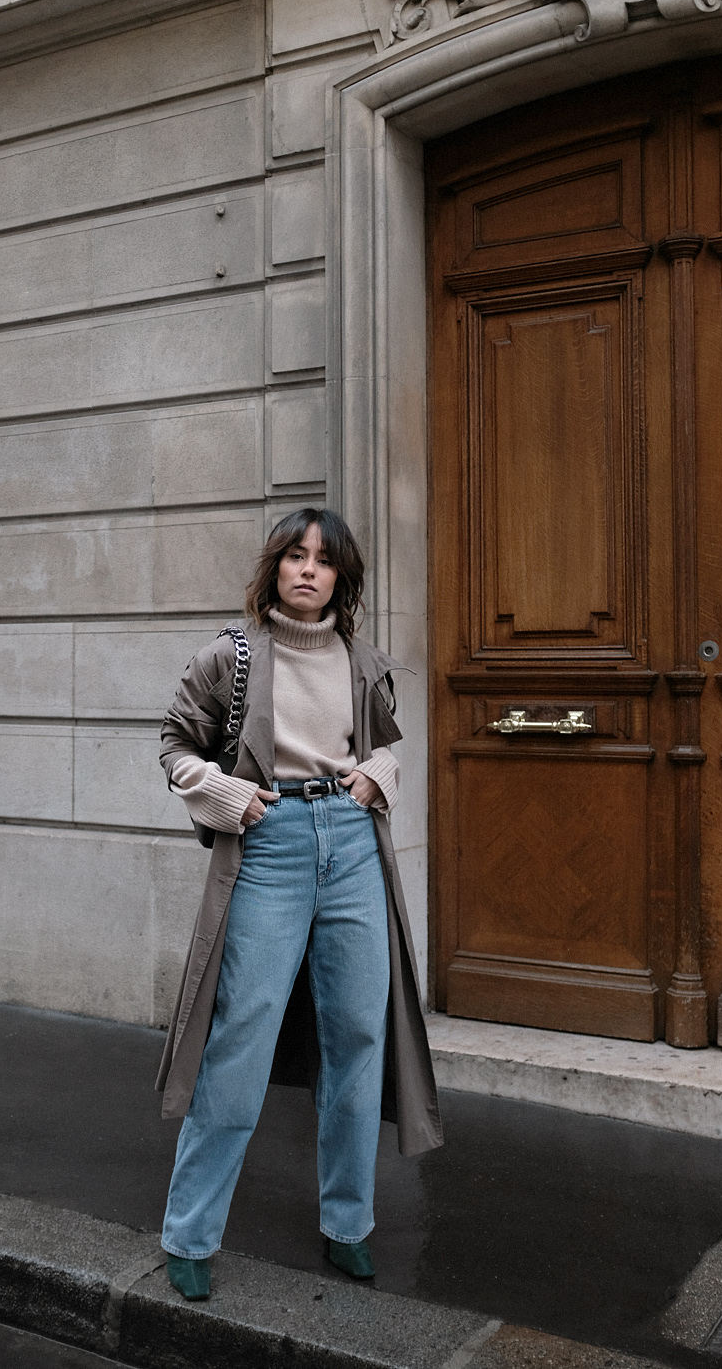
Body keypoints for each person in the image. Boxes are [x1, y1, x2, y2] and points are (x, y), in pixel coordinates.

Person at [156, 507, 442, 1301]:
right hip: (271, 842)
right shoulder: (233, 655)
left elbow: (384, 743)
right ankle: (190, 1234)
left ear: (342, 579)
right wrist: (223, 792)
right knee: (240, 1034)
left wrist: (375, 778)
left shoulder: (362, 659)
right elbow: (175, 744)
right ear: (275, 567)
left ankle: (348, 1224)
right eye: (295, 556)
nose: (308, 570)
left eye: (324, 560)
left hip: (351, 848)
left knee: (357, 1032)